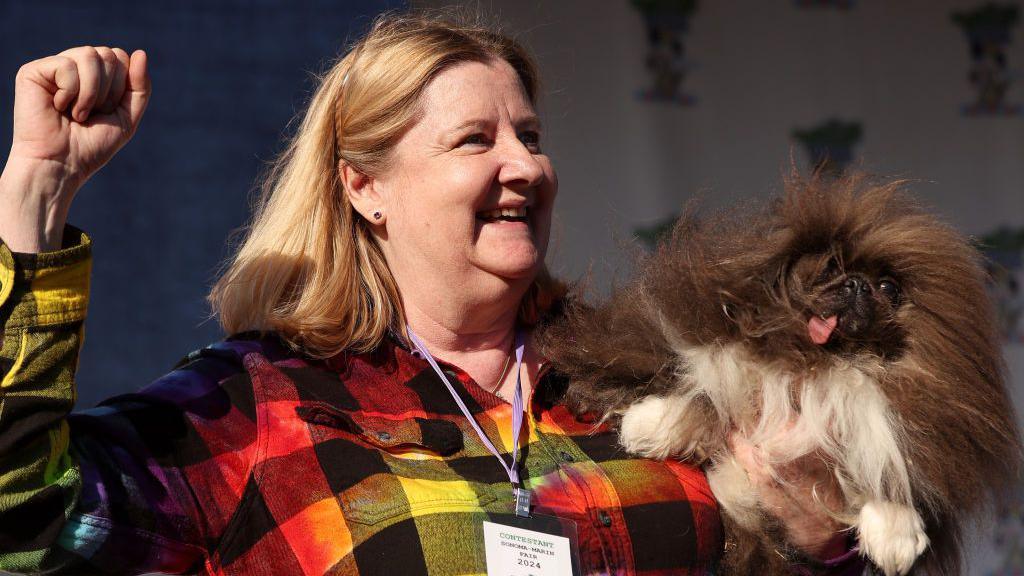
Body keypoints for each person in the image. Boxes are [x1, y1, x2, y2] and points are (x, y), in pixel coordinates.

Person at [0, 11, 865, 575]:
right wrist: (34, 195)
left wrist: (818, 536)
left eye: (529, 134)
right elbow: (26, 529)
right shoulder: (262, 406)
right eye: (473, 140)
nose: (525, 164)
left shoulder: (652, 382)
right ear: (364, 186)